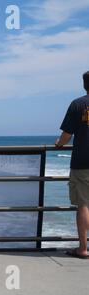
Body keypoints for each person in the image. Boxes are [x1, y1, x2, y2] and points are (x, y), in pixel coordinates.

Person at [55, 71, 89, 259]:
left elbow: (66, 135)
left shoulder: (78, 104)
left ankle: (83, 248)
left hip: (83, 161)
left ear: (84, 85)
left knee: (84, 204)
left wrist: (59, 144)